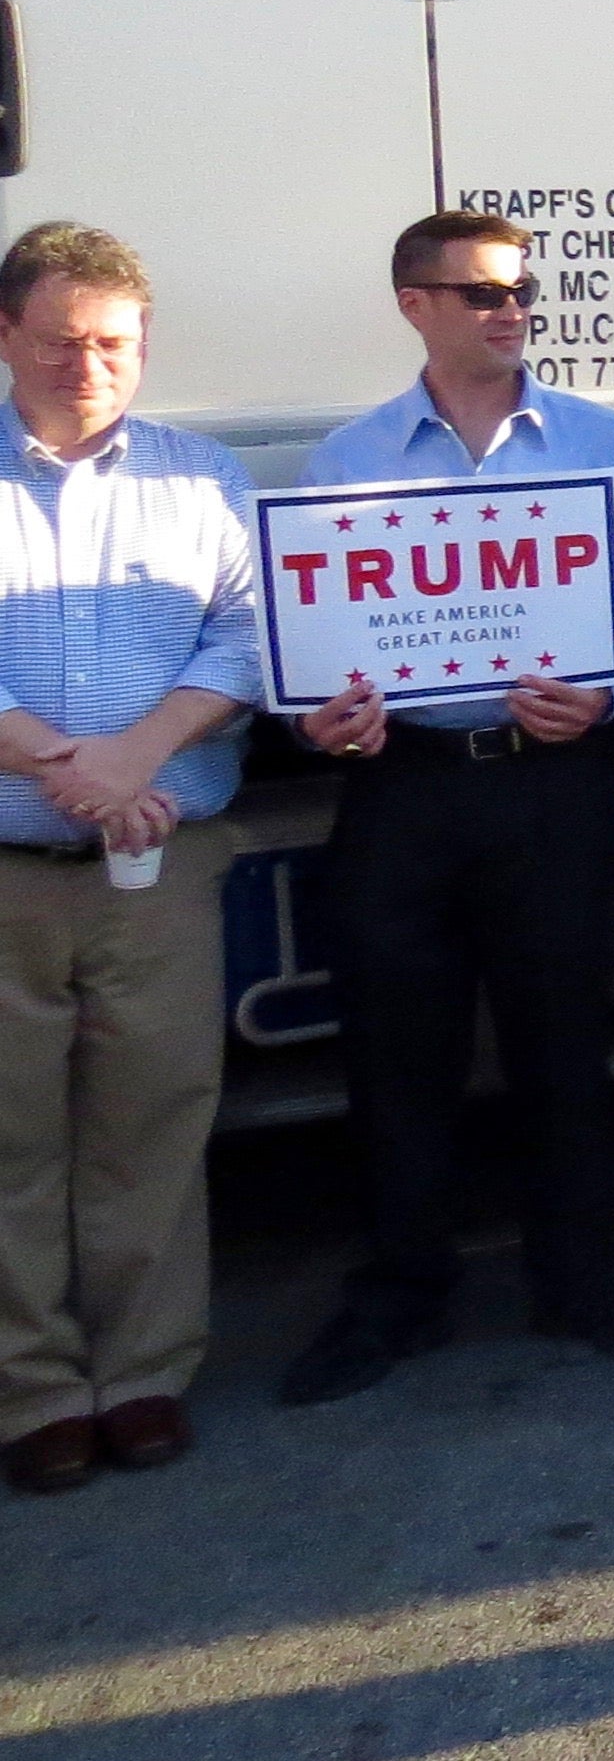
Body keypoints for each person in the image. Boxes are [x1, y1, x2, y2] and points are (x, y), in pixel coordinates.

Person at [277, 212, 614, 1409]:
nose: (509, 310)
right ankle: (401, 1293)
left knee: (565, 1038)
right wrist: (314, 716)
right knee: (399, 1051)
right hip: (401, 784)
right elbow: (302, 641)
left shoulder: (603, 443)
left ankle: (582, 1277)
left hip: (550, 782)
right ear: (414, 304)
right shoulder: (348, 461)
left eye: (520, 291)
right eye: (479, 294)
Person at [0, 224, 260, 1497]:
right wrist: (65, 762)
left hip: (160, 866)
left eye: (113, 343)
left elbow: (252, 634)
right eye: (60, 341)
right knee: (11, 1138)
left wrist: (143, 751)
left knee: (153, 1125)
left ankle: (144, 1375)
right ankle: (35, 1389)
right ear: (7, 338)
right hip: (11, 864)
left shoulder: (204, 480)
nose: (87, 364)